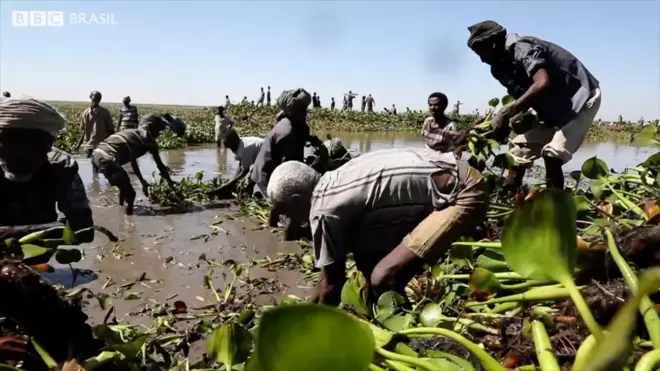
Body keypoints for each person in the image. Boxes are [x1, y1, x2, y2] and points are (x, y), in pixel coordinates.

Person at [266, 148, 488, 304]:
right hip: (453, 173)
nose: (287, 220)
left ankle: (409, 336)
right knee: (367, 264)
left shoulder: (323, 209)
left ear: (297, 199)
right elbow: (334, 275)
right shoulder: (333, 179)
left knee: (383, 277)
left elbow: (332, 285)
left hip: (463, 192)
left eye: (285, 212)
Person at [467, 20, 601, 191]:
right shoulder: (499, 69)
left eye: (482, 52)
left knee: (552, 154)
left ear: (493, 44)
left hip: (580, 98)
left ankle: (554, 207)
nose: (481, 59)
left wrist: (505, 113)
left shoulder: (523, 48)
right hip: (554, 110)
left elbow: (541, 83)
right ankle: (511, 197)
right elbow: (523, 98)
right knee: (518, 150)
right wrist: (503, 125)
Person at [0, 98, 94, 243]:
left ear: (48, 145)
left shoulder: (61, 168)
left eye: (31, 143)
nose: (18, 153)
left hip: (35, 248)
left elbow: (85, 230)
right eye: (9, 141)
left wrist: (20, 232)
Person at [91, 115, 176, 215]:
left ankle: (121, 211)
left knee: (124, 184)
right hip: (107, 158)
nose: (158, 134)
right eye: (158, 131)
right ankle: (129, 221)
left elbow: (134, 162)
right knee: (131, 194)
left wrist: (142, 181)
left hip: (96, 155)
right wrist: (171, 186)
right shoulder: (145, 140)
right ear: (149, 128)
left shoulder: (132, 133)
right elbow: (159, 166)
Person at [248, 88, 321, 196]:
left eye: (305, 108)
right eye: (302, 109)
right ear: (293, 111)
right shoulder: (288, 133)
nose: (305, 112)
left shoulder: (294, 123)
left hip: (268, 174)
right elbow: (286, 169)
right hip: (266, 181)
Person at [208, 128, 263, 198]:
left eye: (229, 146)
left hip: (271, 155)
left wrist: (229, 183)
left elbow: (245, 171)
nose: (230, 149)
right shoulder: (237, 144)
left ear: (232, 142)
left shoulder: (246, 148)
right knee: (252, 177)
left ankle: (254, 196)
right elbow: (241, 165)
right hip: (260, 157)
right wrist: (233, 179)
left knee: (253, 178)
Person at [76, 91, 114, 163]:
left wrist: (79, 144)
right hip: (102, 145)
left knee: (90, 163)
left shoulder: (85, 112)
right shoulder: (104, 112)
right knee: (101, 164)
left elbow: (83, 130)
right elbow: (110, 129)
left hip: (90, 145)